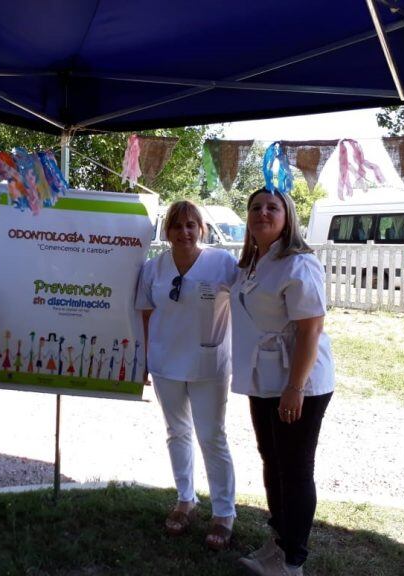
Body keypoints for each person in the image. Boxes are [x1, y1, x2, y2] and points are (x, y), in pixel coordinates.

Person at [232, 188, 334, 576]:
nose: (262, 212)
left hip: (299, 379)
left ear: (288, 216)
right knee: (271, 460)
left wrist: (295, 388)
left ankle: (293, 561)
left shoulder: (298, 264)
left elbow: (311, 329)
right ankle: (278, 541)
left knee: (294, 467)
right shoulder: (254, 261)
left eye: (272, 207)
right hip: (266, 377)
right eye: (255, 207)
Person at [135, 200, 238, 549]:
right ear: (167, 232)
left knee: (213, 437)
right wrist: (145, 362)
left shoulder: (222, 263)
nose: (185, 232)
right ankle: (185, 499)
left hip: (209, 365)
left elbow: (249, 300)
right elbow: (146, 317)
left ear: (202, 228)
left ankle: (224, 513)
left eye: (191, 225)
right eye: (177, 226)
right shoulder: (153, 269)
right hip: (165, 363)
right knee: (176, 432)